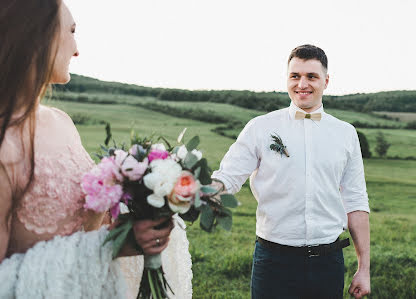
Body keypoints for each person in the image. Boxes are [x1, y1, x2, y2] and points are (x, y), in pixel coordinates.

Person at [0, 1, 192, 298]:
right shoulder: (5, 144)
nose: (76, 50)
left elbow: (87, 225)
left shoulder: (62, 122)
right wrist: (114, 243)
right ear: (37, 35)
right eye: (72, 31)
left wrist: (138, 214)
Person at [212, 44, 370, 299]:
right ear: (287, 79)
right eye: (295, 76)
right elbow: (229, 175)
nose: (302, 84)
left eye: (311, 76)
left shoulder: (346, 134)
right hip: (273, 261)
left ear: (326, 81)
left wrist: (364, 268)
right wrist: (201, 192)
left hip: (328, 263)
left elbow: (355, 201)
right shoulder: (260, 127)